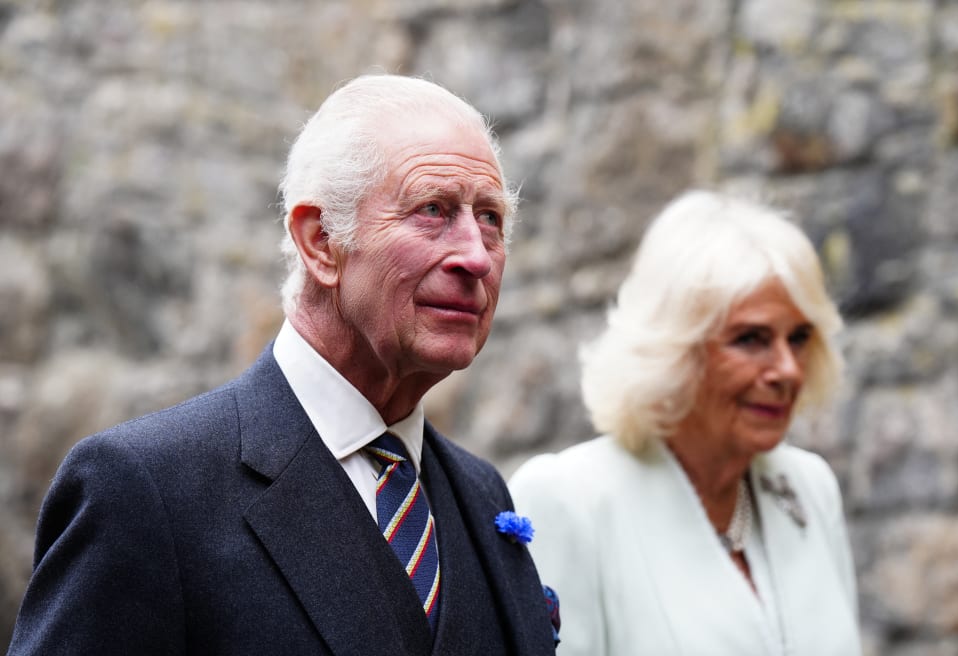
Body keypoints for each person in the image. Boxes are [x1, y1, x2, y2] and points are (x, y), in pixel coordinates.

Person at [8, 74, 558, 656]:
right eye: (433, 210)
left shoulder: (481, 494)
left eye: (491, 218)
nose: (475, 255)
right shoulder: (146, 491)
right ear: (320, 241)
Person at [509, 190, 862, 655]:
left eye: (798, 338)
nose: (789, 370)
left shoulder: (807, 487)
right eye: (752, 339)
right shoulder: (569, 499)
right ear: (674, 351)